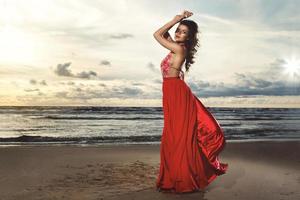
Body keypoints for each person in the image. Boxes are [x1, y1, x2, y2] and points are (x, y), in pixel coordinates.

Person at [153, 10, 229, 193]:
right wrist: (177, 23)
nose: (179, 33)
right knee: (173, 136)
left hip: (176, 92)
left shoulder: (179, 48)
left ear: (189, 37)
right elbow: (163, 34)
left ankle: (183, 179)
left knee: (179, 137)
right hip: (172, 91)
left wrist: (175, 19)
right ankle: (173, 177)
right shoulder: (175, 46)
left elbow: (156, 34)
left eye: (184, 32)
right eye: (178, 30)